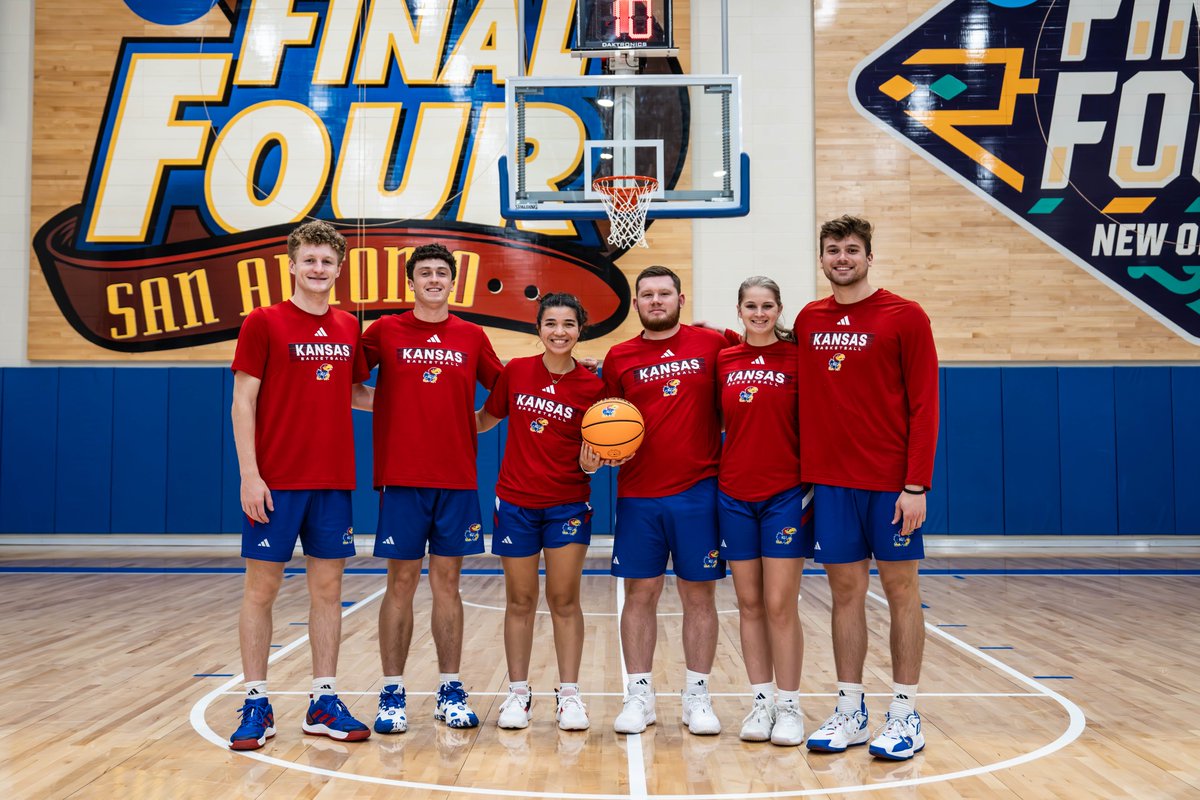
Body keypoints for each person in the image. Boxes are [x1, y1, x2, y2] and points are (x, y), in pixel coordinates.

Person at [796, 215, 939, 761]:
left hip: (891, 486)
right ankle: (851, 707)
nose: (842, 258)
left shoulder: (905, 316)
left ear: (869, 257)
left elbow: (926, 405)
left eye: (852, 249)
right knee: (844, 595)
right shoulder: (810, 318)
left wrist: (916, 484)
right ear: (823, 257)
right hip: (831, 484)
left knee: (902, 591)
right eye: (832, 249)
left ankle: (904, 711)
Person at [228, 219, 373, 750]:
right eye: (309, 260)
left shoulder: (347, 326)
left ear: (339, 269)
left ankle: (323, 700)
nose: (318, 269)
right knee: (261, 590)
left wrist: (433, 400)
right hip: (276, 481)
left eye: (327, 262)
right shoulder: (263, 322)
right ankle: (256, 701)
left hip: (332, 480)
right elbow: (243, 401)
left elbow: (357, 394)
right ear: (292, 265)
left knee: (328, 591)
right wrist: (250, 474)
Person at [363, 243, 503, 734]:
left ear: (452, 281)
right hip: (402, 479)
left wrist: (474, 424)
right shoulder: (384, 331)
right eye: (425, 272)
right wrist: (392, 405)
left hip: (457, 480)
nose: (434, 279)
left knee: (448, 585)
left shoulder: (471, 335)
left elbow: (504, 391)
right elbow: (343, 381)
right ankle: (392, 693)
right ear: (412, 281)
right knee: (399, 584)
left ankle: (449, 688)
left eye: (442, 272)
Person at [602, 265, 728, 736]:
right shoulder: (619, 357)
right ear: (636, 304)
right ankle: (639, 696)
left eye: (665, 293)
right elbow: (607, 420)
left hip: (699, 491)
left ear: (680, 298)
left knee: (699, 595)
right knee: (640, 594)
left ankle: (698, 696)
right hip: (638, 494)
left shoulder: (712, 346)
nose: (656, 301)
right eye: (647, 295)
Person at [474, 293, 607, 732]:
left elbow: (594, 456)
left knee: (564, 600)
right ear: (538, 328)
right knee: (521, 600)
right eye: (551, 323)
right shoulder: (516, 372)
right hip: (515, 502)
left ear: (579, 329)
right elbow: (483, 420)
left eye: (569, 324)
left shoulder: (592, 387)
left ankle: (569, 694)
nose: (559, 332)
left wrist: (593, 462)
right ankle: (518, 693)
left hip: (567, 503)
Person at [716, 276, 814, 746]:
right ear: (738, 311)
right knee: (749, 604)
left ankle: (790, 706)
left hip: (784, 497)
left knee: (779, 604)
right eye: (751, 306)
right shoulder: (724, 360)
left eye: (767, 305)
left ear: (779, 309)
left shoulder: (799, 359)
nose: (759, 313)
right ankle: (761, 702)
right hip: (734, 495)